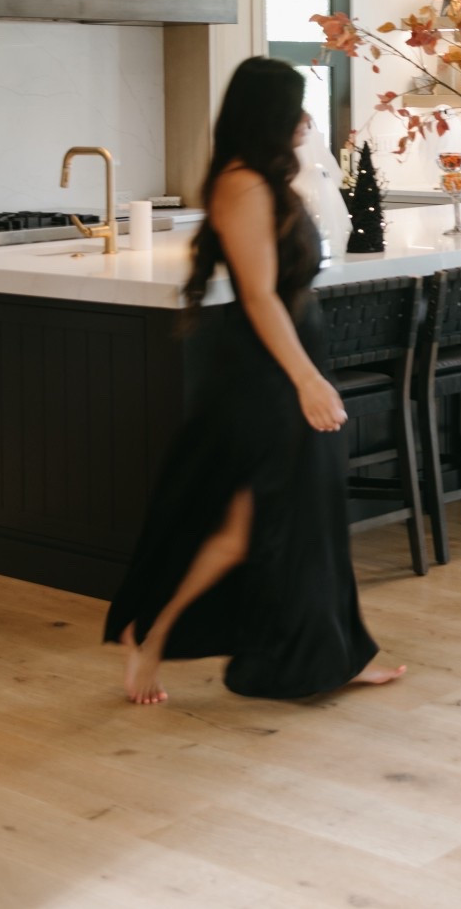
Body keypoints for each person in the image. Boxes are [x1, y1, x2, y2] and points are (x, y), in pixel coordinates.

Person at [104, 57, 405, 704]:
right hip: (264, 376)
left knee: (300, 517)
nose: (306, 118)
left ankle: (331, 654)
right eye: (295, 106)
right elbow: (260, 294)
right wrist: (306, 380)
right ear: (267, 113)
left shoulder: (266, 180)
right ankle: (151, 635)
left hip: (286, 365)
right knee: (245, 526)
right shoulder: (241, 184)